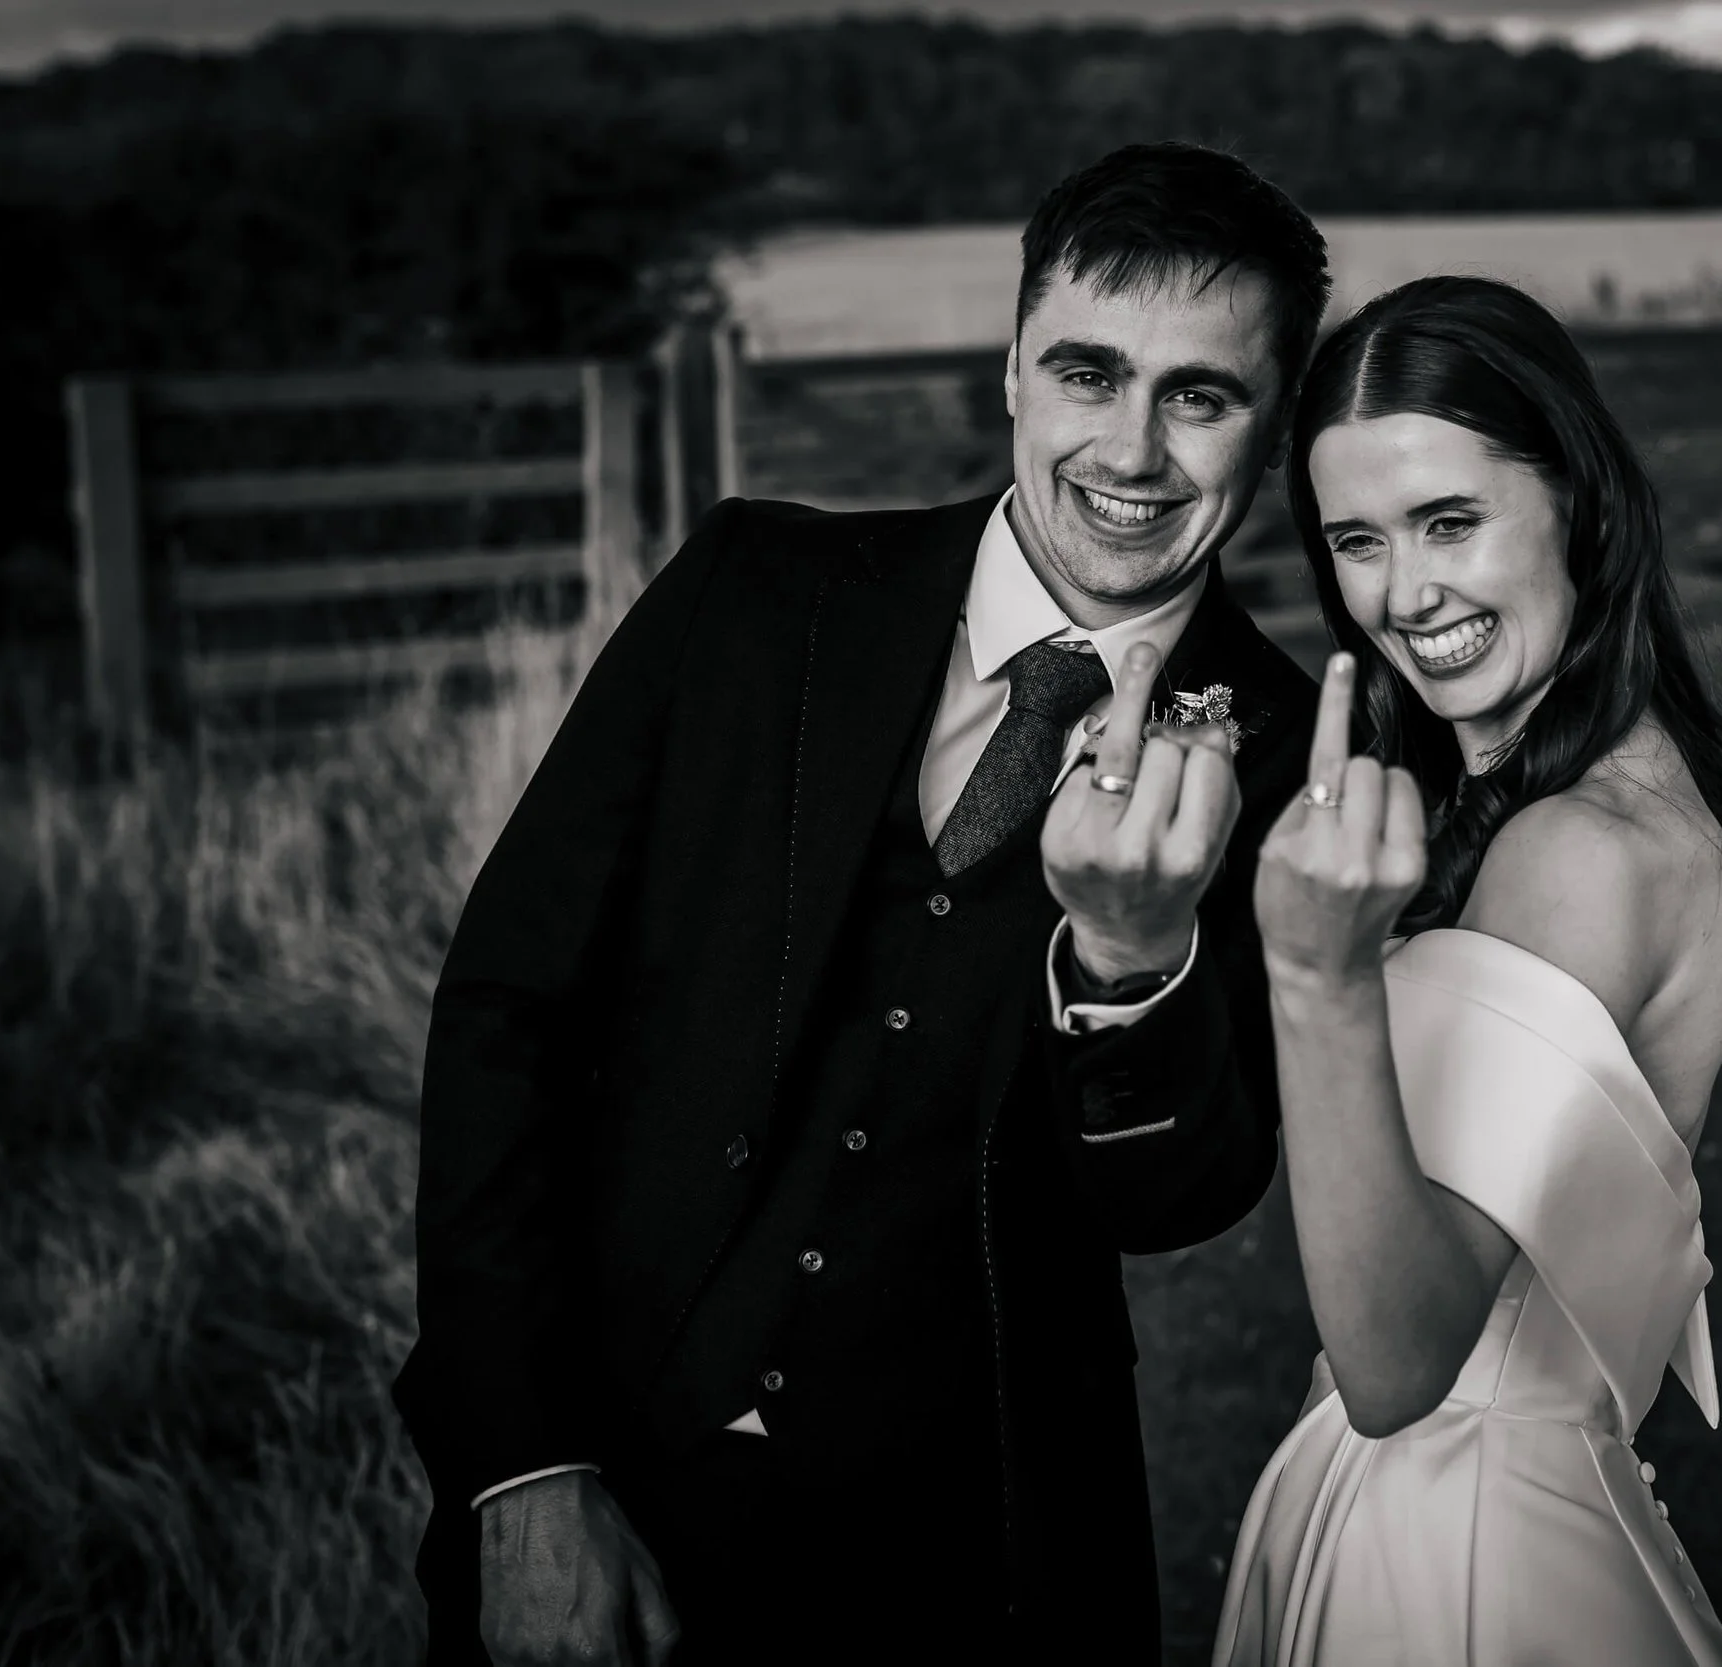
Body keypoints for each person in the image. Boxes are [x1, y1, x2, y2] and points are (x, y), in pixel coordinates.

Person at [395, 142, 1329, 1663]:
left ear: (1271, 425)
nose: (1134, 450)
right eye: (1088, 372)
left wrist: (1134, 954)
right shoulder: (754, 595)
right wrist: (522, 1465)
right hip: (601, 1487)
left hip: (977, 1558)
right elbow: (509, 1011)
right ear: (1010, 370)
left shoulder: (1287, 753)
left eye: (1201, 395)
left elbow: (1176, 1201)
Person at [1213, 275, 1722, 1665]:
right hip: (1470, 1505)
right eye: (1356, 540)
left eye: (1450, 521)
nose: (1404, 595)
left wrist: (1319, 974)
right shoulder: (1597, 791)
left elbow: (1401, 1362)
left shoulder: (1580, 849)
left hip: (1462, 1552)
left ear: (1578, 502)